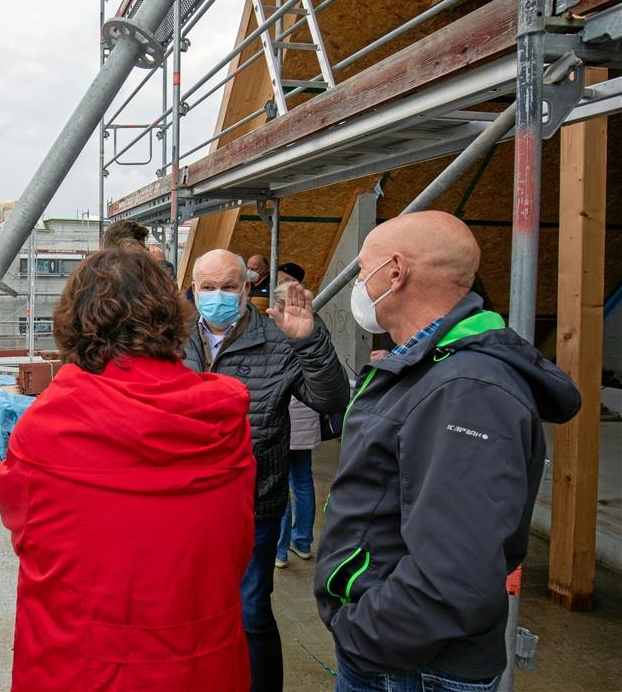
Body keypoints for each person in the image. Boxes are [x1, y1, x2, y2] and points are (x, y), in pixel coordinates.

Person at [314, 211, 581, 691]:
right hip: (399, 655)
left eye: (363, 269)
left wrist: (364, 634)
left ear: (395, 272)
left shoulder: (469, 391)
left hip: (411, 667)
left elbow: (453, 571)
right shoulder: (435, 370)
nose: (359, 283)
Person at [0, 247, 257, 692]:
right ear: (172, 315)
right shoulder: (222, 420)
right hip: (203, 663)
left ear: (75, 322)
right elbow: (237, 544)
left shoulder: (50, 427)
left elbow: (20, 521)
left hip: (83, 664)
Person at [183, 248, 349, 692]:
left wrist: (309, 340)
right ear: (193, 289)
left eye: (229, 287)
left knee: (251, 608)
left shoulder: (277, 338)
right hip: (185, 506)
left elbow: (331, 400)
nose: (218, 296)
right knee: (189, 609)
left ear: (247, 287)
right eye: (208, 287)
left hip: (253, 503)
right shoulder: (172, 339)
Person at [271, 262, 321, 569]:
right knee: (302, 481)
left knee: (279, 483)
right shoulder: (313, 327)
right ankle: (302, 542)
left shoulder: (277, 332)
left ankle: (278, 551)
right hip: (306, 418)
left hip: (283, 417)